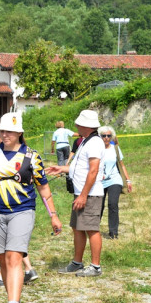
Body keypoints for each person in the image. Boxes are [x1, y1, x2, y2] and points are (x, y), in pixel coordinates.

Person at [0, 112, 62, 303]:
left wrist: (53, 215)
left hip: (22, 211)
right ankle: (11, 300)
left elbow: (43, 187)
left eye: (9, 131)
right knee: (3, 260)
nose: (5, 135)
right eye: (1, 131)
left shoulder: (31, 157)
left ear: (19, 133)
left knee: (14, 257)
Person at [46, 110, 105, 278]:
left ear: (86, 126)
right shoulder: (85, 141)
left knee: (91, 229)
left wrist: (84, 195)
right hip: (81, 193)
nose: (76, 126)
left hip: (90, 194)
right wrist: (63, 168)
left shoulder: (94, 143)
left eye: (79, 123)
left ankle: (95, 266)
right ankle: (77, 263)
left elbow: (93, 171)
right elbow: (80, 167)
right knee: (77, 227)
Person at [98, 126, 133, 239]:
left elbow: (121, 165)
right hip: (99, 181)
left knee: (112, 204)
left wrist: (128, 180)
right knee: (98, 206)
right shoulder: (96, 149)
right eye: (104, 136)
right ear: (100, 136)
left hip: (115, 179)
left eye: (109, 136)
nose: (106, 138)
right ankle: (93, 229)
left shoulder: (115, 149)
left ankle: (113, 232)